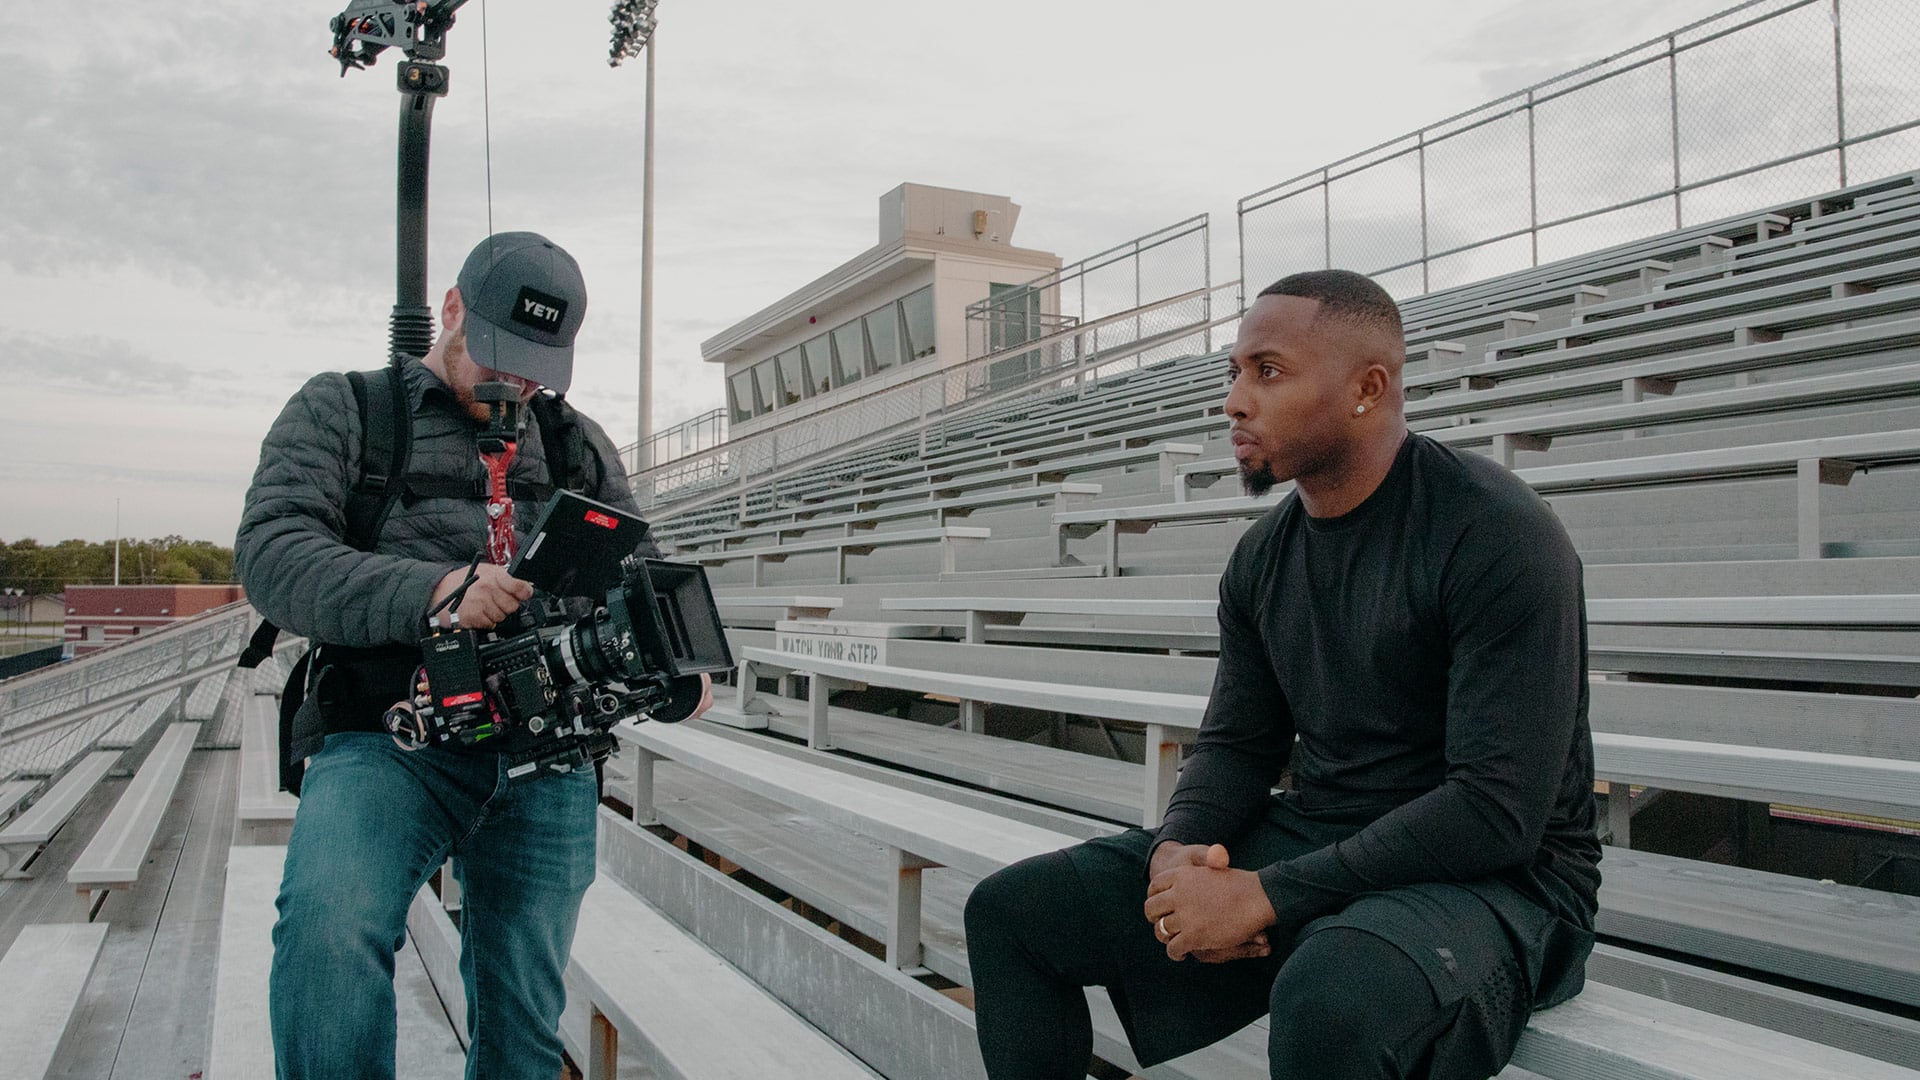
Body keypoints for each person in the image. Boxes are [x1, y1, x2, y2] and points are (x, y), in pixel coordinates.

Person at [964, 270, 1600, 1080]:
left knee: (1332, 1000)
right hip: (1328, 831)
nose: (1234, 400)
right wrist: (1177, 853)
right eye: (1233, 372)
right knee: (1015, 914)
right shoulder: (1264, 556)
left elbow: (1495, 811)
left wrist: (1269, 895)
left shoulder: (1497, 533)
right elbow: (1235, 745)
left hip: (1503, 880)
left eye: (1267, 371)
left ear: (1369, 388)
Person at [235, 231, 709, 1080]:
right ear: (451, 310)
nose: (515, 383)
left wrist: (678, 662)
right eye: (499, 354)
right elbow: (272, 554)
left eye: (535, 365)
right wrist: (434, 589)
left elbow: (640, 569)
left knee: (525, 1013)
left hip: (546, 746)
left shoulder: (573, 441)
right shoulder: (344, 408)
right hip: (390, 734)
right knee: (329, 929)